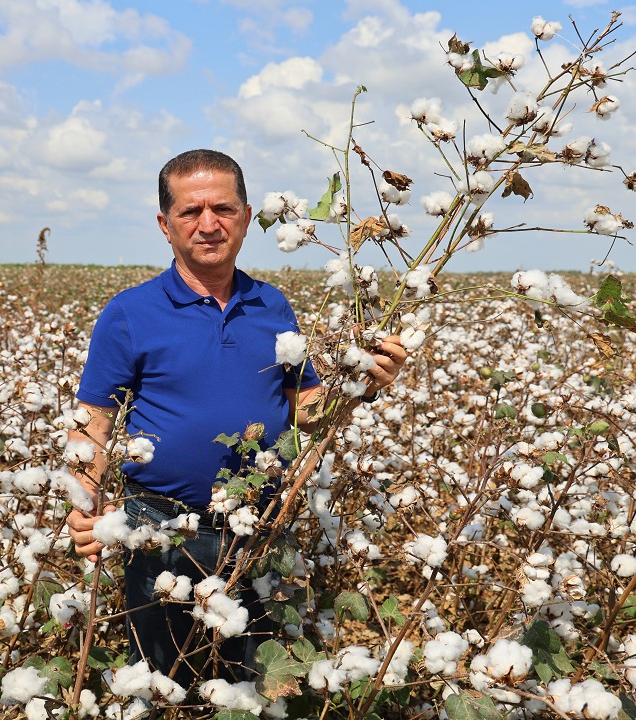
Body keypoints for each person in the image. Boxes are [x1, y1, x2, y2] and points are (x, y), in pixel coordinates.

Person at [65, 149, 407, 687]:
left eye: (222, 209)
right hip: (161, 532)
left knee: (254, 684)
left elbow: (307, 411)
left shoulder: (272, 306)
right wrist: (86, 510)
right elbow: (92, 427)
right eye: (189, 212)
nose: (208, 224)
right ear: (165, 225)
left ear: (246, 218)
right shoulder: (130, 313)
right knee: (163, 682)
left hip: (261, 530)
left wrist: (361, 383)